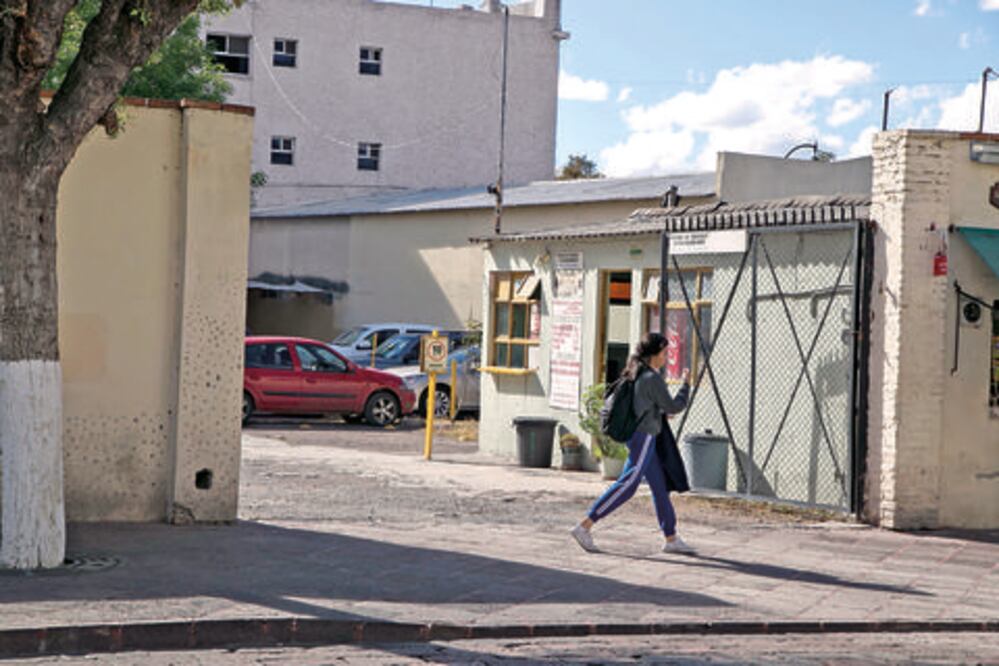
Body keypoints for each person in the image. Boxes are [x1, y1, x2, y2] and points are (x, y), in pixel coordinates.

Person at [571, 332, 694, 554]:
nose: (666, 358)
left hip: (641, 435)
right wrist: (686, 385)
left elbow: (644, 405)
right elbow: (673, 406)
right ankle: (585, 526)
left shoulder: (639, 372)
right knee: (628, 485)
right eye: (664, 353)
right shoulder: (652, 378)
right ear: (654, 354)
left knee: (659, 488)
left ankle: (671, 538)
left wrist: (658, 413)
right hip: (643, 437)